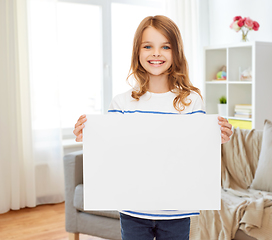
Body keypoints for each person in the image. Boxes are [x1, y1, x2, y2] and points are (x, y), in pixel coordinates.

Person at [73, 15, 233, 240]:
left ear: (175, 52)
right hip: (133, 209)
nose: (156, 53)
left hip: (177, 210)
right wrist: (88, 136)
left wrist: (218, 137)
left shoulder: (191, 101)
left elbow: (195, 150)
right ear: (137, 52)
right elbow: (112, 150)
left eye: (165, 46)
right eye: (148, 46)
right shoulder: (122, 102)